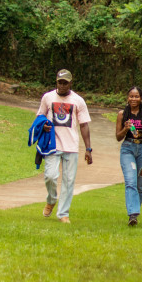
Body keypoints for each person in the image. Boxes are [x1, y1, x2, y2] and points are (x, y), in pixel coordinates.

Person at [37, 69, 93, 224]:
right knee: (50, 176)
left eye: (65, 83)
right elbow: (39, 117)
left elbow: (84, 125)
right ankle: (51, 199)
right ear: (56, 82)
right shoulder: (47, 97)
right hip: (52, 144)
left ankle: (63, 214)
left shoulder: (78, 101)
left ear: (70, 83)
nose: (62, 86)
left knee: (69, 181)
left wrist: (88, 149)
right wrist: (44, 126)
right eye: (60, 82)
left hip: (71, 145)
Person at [116, 86, 142, 226]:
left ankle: (134, 215)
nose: (133, 99)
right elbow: (118, 137)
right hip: (128, 149)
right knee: (130, 181)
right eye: (131, 96)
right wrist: (126, 128)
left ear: (141, 98)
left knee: (140, 183)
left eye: (136, 96)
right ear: (127, 98)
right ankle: (133, 214)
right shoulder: (122, 114)